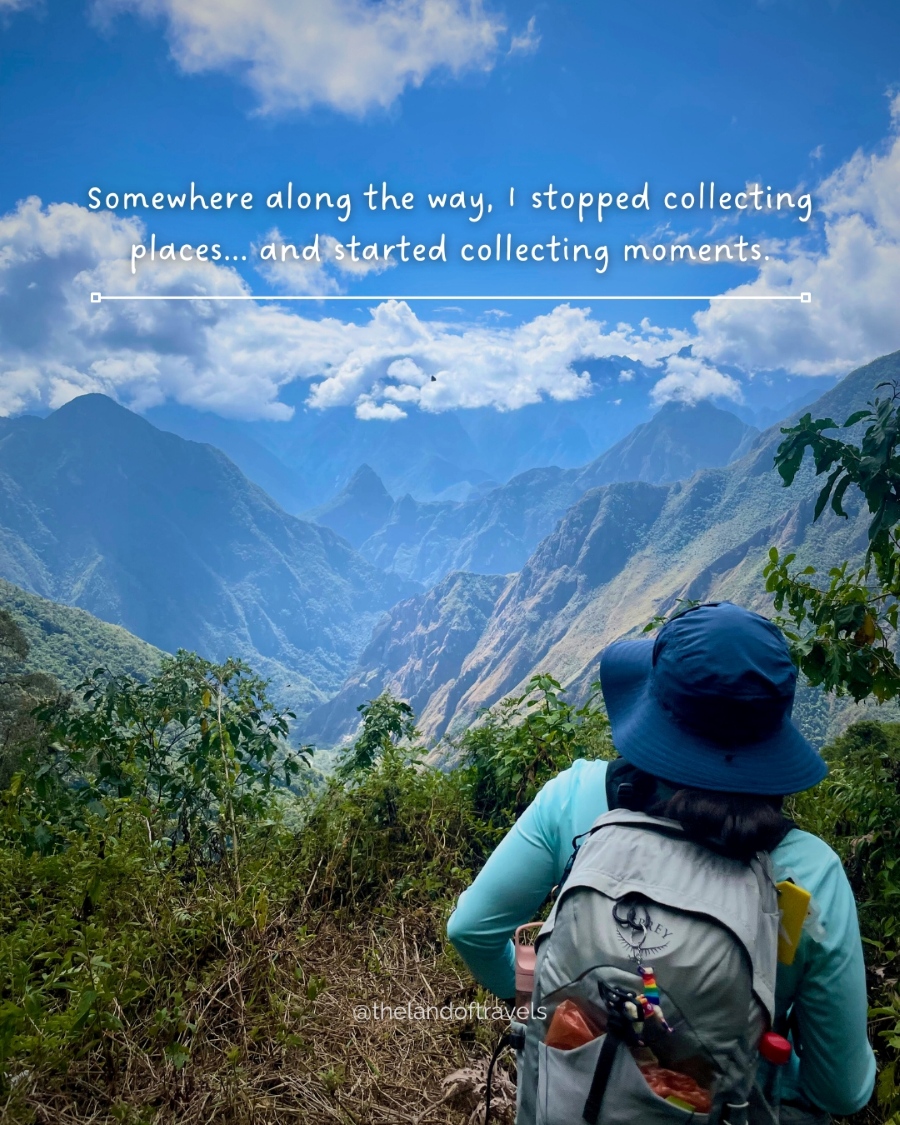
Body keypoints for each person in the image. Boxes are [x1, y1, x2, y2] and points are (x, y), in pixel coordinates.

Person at [447, 602, 876, 1121]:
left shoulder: (574, 797)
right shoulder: (811, 875)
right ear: (772, 733)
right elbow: (841, 1092)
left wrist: (546, 1001)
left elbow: (470, 929)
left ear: (655, 709)